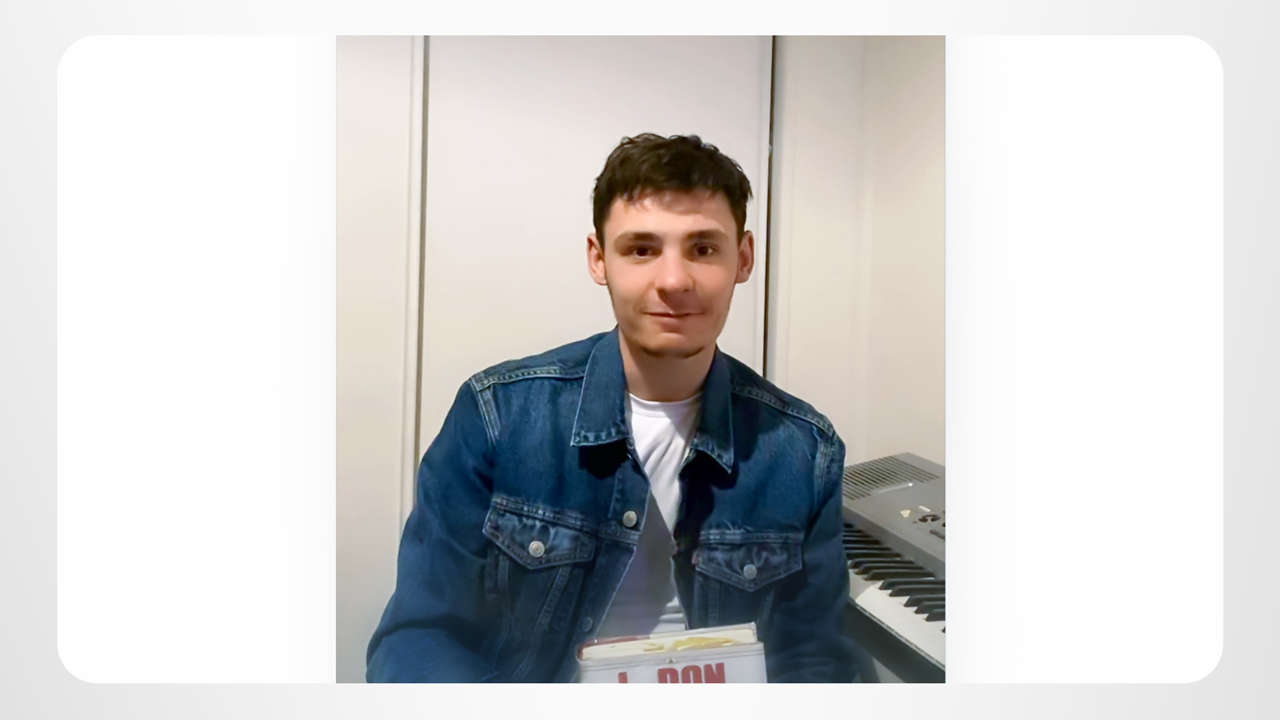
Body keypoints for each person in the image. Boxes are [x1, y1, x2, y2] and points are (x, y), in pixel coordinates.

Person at [366, 133, 856, 682]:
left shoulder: (803, 451)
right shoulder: (497, 415)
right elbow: (421, 635)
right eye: (641, 249)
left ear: (743, 259)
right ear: (599, 259)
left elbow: (814, 662)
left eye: (703, 249)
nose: (674, 281)